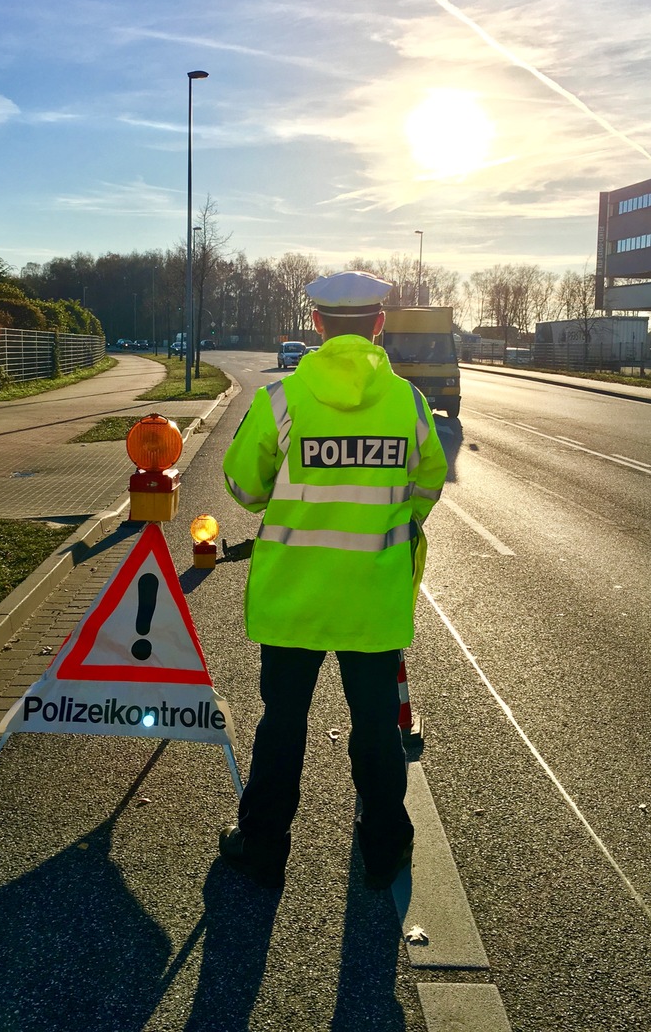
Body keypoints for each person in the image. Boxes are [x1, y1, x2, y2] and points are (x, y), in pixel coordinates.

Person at [219, 270, 448, 889]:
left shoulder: (282, 401)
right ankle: (384, 848)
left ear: (316, 325)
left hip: (293, 599)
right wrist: (393, 519)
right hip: (371, 602)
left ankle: (264, 846)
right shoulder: (409, 402)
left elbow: (243, 488)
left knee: (283, 725)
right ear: (379, 324)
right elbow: (430, 480)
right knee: (377, 727)